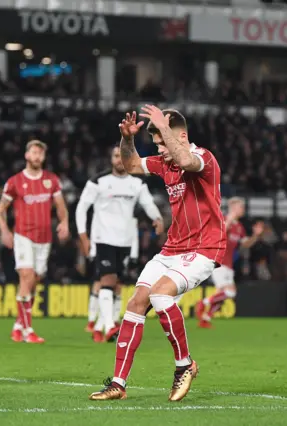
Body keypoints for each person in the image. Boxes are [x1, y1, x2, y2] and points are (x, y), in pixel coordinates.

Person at [89, 106, 226, 402]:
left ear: (181, 135)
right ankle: (118, 383)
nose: (161, 149)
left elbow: (186, 159)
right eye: (157, 144)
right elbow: (132, 165)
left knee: (161, 295)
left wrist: (165, 130)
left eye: (164, 142)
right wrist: (127, 140)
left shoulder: (204, 158)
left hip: (204, 247)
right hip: (172, 248)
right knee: (136, 303)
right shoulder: (165, 163)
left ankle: (184, 365)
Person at [77, 147, 163, 343]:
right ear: (111, 158)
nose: (119, 160)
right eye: (116, 155)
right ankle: (109, 327)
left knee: (117, 284)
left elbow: (148, 203)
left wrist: (157, 217)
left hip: (125, 242)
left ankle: (103, 325)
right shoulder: (99, 181)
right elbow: (82, 207)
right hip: (103, 240)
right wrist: (83, 235)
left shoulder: (137, 183)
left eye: (122, 156)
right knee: (106, 280)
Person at [0, 140, 69, 344]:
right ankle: (29, 331)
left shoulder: (51, 180)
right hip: (23, 235)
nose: (37, 156)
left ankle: (18, 326)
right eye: (34, 152)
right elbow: (0, 210)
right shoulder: (15, 182)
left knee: (33, 281)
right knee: (26, 276)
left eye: (40, 153)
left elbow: (60, 205)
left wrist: (64, 222)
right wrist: (5, 231)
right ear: (27, 155)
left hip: (44, 239)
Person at [195, 197, 263, 328]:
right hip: (218, 261)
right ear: (234, 208)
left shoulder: (239, 227)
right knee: (230, 292)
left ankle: (205, 319)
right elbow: (219, 235)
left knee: (221, 294)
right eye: (241, 207)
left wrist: (256, 235)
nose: (243, 210)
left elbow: (245, 244)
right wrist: (229, 220)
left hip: (229, 264)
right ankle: (203, 303)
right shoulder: (223, 219)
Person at [86, 218, 140, 336]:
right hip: (104, 250)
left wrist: (134, 255)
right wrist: (93, 251)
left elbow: (133, 235)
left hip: (123, 252)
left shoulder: (129, 214)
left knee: (116, 287)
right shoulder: (104, 213)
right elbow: (96, 231)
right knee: (102, 285)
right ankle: (94, 323)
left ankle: (108, 324)